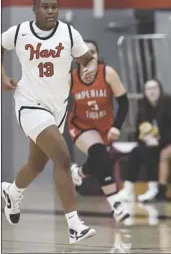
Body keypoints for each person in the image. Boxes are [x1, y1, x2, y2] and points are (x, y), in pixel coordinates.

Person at [1, 0, 96, 243]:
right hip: (29, 104)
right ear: (34, 8)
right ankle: (74, 225)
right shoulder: (19, 32)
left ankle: (12, 191)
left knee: (36, 165)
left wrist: (89, 70)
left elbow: (89, 59)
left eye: (55, 6)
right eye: (46, 7)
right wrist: (1, 76)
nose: (51, 11)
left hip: (57, 109)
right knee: (63, 158)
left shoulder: (68, 33)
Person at [68, 40, 130, 222]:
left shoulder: (107, 73)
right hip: (81, 125)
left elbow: (124, 102)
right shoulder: (71, 78)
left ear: (97, 55)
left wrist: (117, 126)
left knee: (100, 159)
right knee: (101, 156)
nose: (89, 56)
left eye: (92, 52)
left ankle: (79, 173)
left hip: (104, 126)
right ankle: (117, 205)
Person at [118, 79, 171, 203]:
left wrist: (158, 140)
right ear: (145, 92)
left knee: (149, 151)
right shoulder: (143, 106)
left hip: (167, 142)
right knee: (136, 151)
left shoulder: (168, 104)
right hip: (148, 143)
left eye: (154, 88)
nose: (152, 91)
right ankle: (129, 189)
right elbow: (138, 130)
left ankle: (153, 188)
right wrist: (146, 138)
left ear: (160, 89)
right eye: (148, 89)